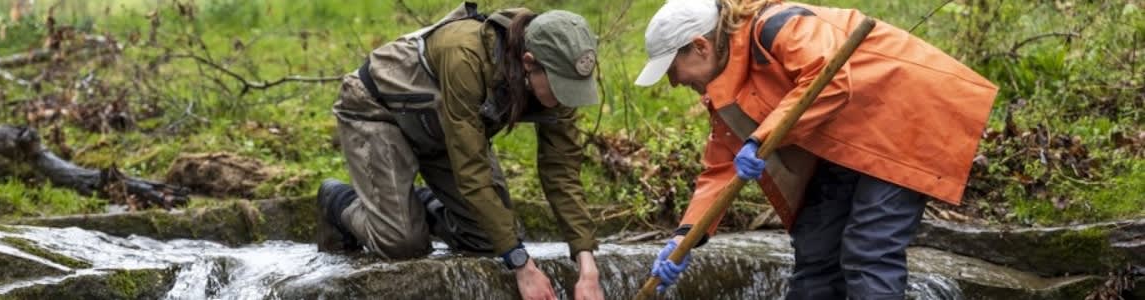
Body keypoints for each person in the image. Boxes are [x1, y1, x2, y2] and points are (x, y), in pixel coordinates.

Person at [634, 0, 997, 298]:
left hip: (909, 117)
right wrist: (685, 237)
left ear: (700, 45)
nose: (674, 81)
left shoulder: (781, 26)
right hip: (849, 139)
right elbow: (719, 168)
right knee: (816, 247)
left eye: (673, 69)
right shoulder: (722, 87)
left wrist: (760, 139)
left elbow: (831, 82)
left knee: (868, 248)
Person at [317, 2, 605, 299]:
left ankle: (410, 207)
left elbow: (562, 174)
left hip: (441, 128)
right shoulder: (466, 56)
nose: (566, 97)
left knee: (493, 240)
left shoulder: (560, 82)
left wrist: (586, 262)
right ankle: (338, 201)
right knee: (402, 243)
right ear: (529, 62)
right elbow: (472, 171)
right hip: (377, 108)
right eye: (561, 86)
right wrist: (523, 267)